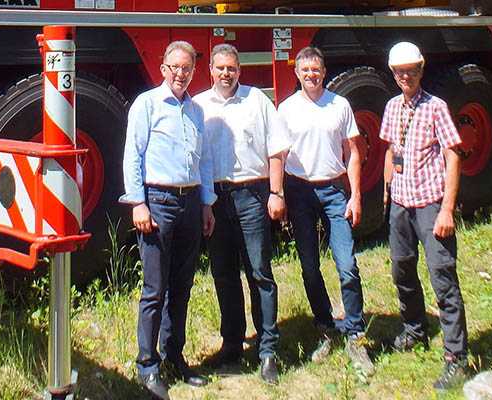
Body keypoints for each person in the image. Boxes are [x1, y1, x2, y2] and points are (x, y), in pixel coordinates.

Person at [120, 40, 216, 400]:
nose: (180, 74)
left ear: (193, 71)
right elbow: (133, 155)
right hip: (157, 202)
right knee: (154, 289)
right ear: (163, 69)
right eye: (174, 67)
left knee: (183, 286)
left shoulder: (196, 110)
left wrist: (207, 204)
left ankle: (175, 355)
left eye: (187, 68)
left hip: (190, 201)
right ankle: (147, 366)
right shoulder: (146, 104)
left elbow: (203, 161)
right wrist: (138, 204)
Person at [193, 43, 290, 384]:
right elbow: (197, 159)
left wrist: (276, 192)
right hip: (216, 199)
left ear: (239, 70)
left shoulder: (257, 101)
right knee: (223, 274)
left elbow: (277, 149)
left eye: (231, 68)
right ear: (211, 71)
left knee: (260, 272)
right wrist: (205, 203)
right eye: (220, 68)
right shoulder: (199, 106)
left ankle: (267, 351)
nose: (226, 73)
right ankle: (232, 344)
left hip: (252, 193)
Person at [277, 46, 374, 377]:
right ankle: (326, 328)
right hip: (300, 191)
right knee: (309, 266)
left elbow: (354, 153)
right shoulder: (286, 109)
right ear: (297, 73)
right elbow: (277, 154)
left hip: (335, 192)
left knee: (347, 265)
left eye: (316, 70)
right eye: (305, 71)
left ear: (324, 70)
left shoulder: (340, 105)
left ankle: (356, 334)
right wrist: (280, 195)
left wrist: (356, 195)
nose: (311, 75)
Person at [380, 41, 469, 390]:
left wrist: (447, 209)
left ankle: (456, 357)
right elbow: (391, 149)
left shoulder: (436, 108)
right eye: (400, 72)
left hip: (431, 205)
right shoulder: (390, 107)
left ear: (421, 69)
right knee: (402, 269)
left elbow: (454, 155)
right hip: (401, 205)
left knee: (442, 277)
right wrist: (387, 193)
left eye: (411, 70)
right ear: (393, 73)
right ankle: (414, 330)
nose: (406, 76)